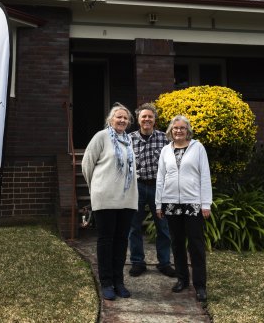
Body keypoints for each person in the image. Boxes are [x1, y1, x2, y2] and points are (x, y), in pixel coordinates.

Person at [82, 103, 138, 301]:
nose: (122, 120)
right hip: (105, 197)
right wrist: (96, 188)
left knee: (122, 241)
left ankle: (118, 281)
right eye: (118, 117)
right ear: (110, 119)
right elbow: (87, 164)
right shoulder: (101, 137)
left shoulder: (129, 140)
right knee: (106, 241)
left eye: (126, 118)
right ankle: (106, 282)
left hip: (127, 199)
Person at [155, 115, 212, 302]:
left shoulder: (198, 148)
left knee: (196, 245)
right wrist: (159, 203)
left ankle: (200, 285)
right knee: (177, 244)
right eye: (175, 128)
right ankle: (182, 280)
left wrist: (206, 204)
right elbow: (161, 178)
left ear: (188, 130)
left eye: (182, 128)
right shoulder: (165, 150)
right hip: (171, 202)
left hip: (193, 203)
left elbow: (205, 176)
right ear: (170, 131)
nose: (178, 131)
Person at [128, 103, 176, 278]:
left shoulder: (165, 139)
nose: (147, 119)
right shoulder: (129, 139)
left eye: (150, 116)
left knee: (163, 226)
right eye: (143, 116)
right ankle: (137, 262)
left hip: (158, 187)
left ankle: (164, 263)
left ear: (155, 120)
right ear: (138, 119)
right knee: (134, 226)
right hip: (137, 186)